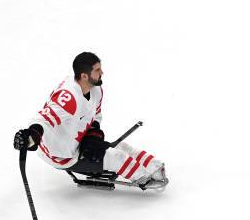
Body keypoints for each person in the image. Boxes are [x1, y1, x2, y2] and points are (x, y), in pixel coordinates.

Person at [13, 52, 167, 187]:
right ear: (84, 76)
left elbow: (96, 115)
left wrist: (93, 135)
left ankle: (154, 167)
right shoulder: (68, 97)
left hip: (79, 142)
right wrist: (31, 137)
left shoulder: (96, 89)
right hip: (61, 155)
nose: (102, 73)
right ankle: (143, 178)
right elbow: (44, 120)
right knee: (116, 157)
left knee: (122, 146)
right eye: (97, 70)